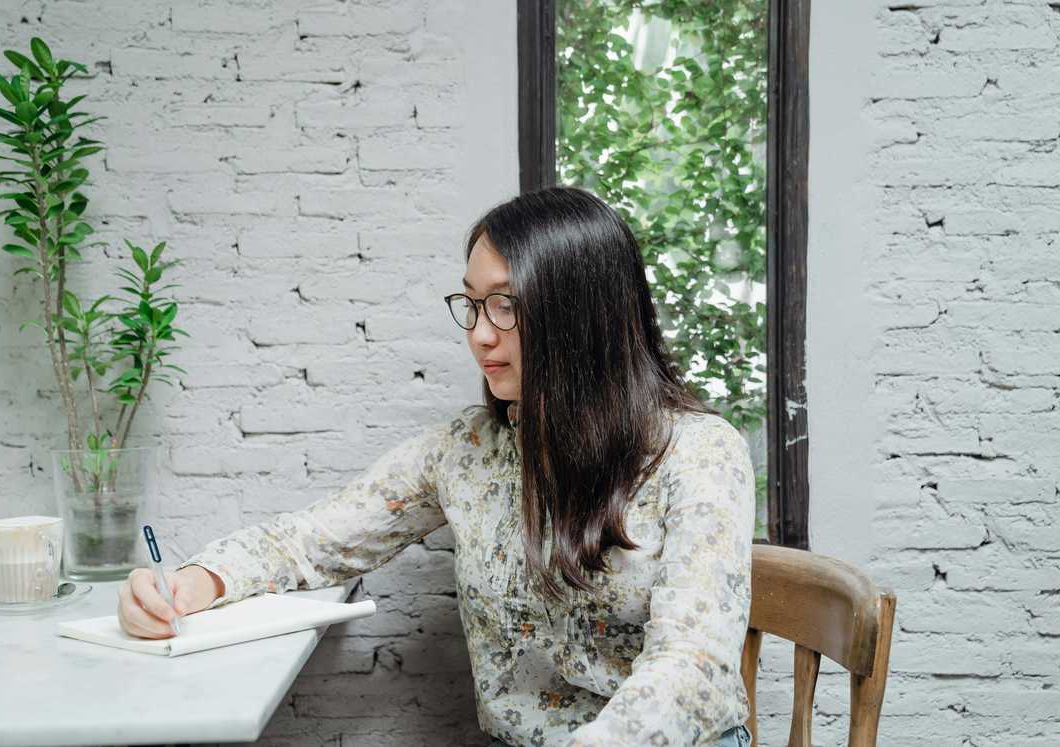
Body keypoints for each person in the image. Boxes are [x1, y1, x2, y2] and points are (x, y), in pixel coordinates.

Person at [117, 186, 756, 747]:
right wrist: (194, 582)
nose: (479, 334)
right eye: (473, 304)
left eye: (506, 306)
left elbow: (693, 664)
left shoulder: (697, 453)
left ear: (579, 318)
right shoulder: (464, 452)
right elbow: (310, 541)